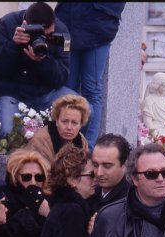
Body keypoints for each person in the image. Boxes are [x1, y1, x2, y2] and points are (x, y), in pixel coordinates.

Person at [0, 1, 77, 138]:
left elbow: (62, 77)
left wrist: (43, 61)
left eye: (49, 35)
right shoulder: (7, 24)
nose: (44, 39)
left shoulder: (61, 30)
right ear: (26, 24)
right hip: (12, 93)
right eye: (41, 35)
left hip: (44, 93)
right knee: (8, 131)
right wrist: (13, 45)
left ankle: (75, 152)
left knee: (85, 109)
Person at [55, 2, 126, 149]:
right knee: (68, 89)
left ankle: (88, 148)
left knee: (91, 90)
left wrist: (102, 12)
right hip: (69, 25)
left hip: (98, 28)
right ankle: (65, 145)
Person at [38, 145, 95, 237]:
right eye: (91, 175)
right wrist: (93, 236)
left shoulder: (65, 206)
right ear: (72, 179)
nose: (96, 179)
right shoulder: (71, 211)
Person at [4, 148, 52, 237]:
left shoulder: (49, 201)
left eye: (39, 177)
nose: (33, 183)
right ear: (15, 177)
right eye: (27, 177)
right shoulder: (5, 202)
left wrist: (49, 213)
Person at [27, 93, 90, 164]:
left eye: (74, 123)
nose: (69, 127)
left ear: (81, 124)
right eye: (64, 121)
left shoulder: (82, 140)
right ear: (56, 120)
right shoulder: (41, 141)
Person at [89, 133, 131, 213]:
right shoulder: (89, 193)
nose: (99, 173)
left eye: (107, 166)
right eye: (95, 165)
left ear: (124, 166)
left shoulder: (131, 202)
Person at [141, 72, 165, 138]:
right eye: (164, 86)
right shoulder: (150, 99)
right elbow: (147, 120)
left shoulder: (164, 101)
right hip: (157, 134)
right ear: (157, 85)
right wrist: (156, 135)